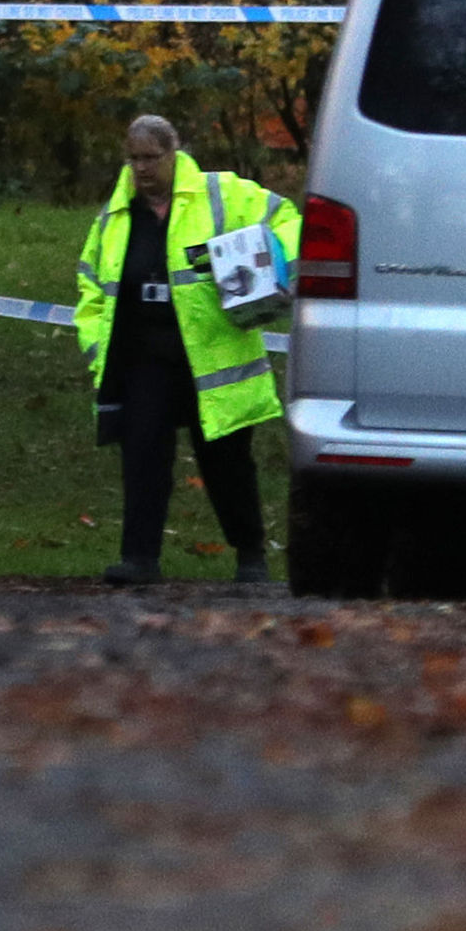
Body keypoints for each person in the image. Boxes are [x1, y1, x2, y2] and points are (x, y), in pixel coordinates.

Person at [71, 114, 300, 586]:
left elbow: (289, 220)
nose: (141, 168)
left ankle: (250, 556)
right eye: (133, 159)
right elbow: (92, 286)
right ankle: (139, 559)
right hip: (144, 359)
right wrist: (96, 348)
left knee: (228, 462)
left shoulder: (222, 195)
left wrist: (273, 271)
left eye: (151, 158)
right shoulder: (116, 214)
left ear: (176, 152)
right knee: (143, 457)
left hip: (211, 357)